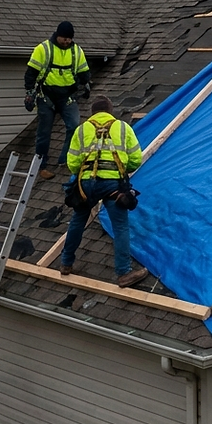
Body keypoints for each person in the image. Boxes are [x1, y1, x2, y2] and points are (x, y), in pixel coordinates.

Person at [60, 96, 149, 287]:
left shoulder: (81, 129)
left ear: (93, 113)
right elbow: (135, 159)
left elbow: (73, 163)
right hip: (112, 185)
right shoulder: (123, 128)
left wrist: (86, 174)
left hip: (85, 185)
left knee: (77, 221)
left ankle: (66, 263)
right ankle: (123, 272)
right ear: (110, 111)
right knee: (120, 227)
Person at [25, 21, 91, 179]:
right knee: (44, 132)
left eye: (69, 39)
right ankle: (41, 165)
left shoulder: (76, 51)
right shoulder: (44, 49)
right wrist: (29, 92)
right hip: (46, 96)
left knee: (74, 125)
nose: (67, 41)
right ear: (57, 35)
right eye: (64, 38)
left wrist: (86, 83)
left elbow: (84, 72)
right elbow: (31, 73)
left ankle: (65, 159)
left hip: (67, 96)